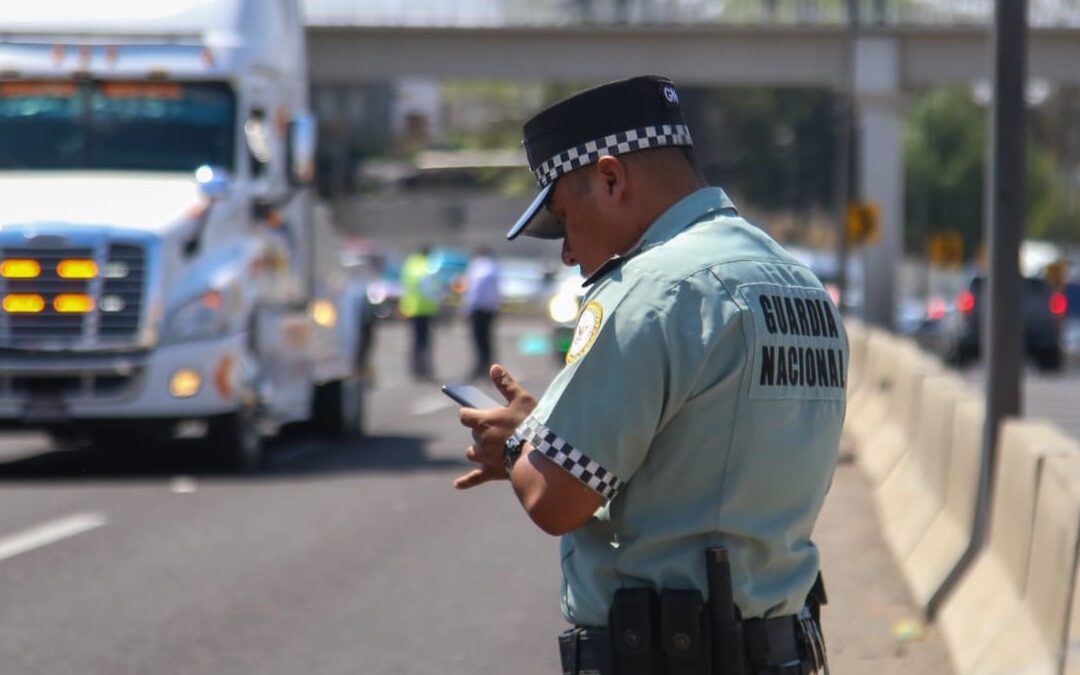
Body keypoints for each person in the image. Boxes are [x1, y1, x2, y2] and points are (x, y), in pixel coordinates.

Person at [454, 76, 845, 674]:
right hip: (782, 651)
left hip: (674, 656)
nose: (564, 253)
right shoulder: (799, 283)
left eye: (562, 217)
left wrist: (517, 444)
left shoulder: (651, 291)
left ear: (611, 179)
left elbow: (558, 500)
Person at [399, 244, 441, 380]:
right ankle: (425, 369)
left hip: (411, 308)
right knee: (424, 341)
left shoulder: (409, 265)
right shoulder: (428, 266)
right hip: (425, 309)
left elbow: (404, 286)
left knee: (415, 341)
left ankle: (416, 369)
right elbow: (432, 288)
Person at [461, 247, 502, 380]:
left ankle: (482, 367)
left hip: (479, 308)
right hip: (490, 308)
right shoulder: (493, 267)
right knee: (487, 339)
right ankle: (488, 367)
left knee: (479, 339)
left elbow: (474, 290)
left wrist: (466, 308)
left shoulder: (477, 268)